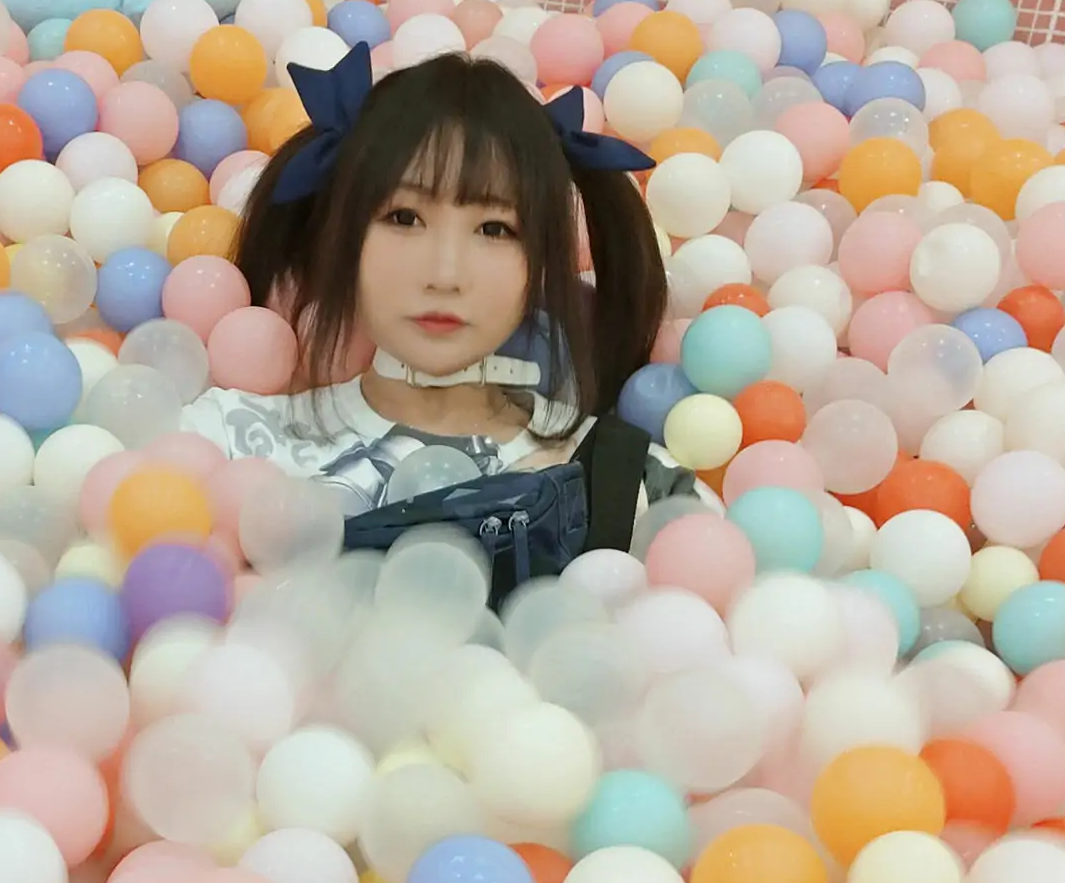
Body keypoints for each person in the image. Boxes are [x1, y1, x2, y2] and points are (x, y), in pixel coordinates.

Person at [178, 43, 701, 532]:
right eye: (403, 218)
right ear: (341, 235)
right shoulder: (222, 444)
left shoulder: (633, 486)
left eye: (495, 229)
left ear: (542, 259)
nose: (445, 274)